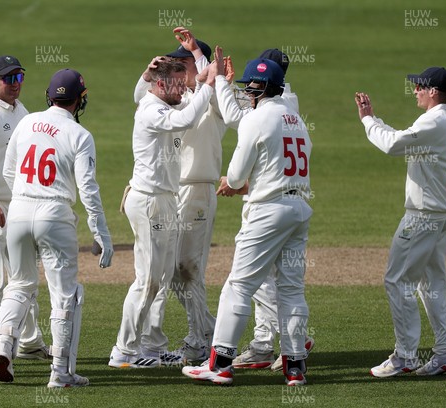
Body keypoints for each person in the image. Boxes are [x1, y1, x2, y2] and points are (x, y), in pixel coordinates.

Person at [183, 58, 313, 386]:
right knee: (291, 290)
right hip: (299, 208)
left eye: (251, 86)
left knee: (239, 285)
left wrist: (233, 182)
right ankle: (295, 368)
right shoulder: (296, 119)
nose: (248, 91)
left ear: (263, 89)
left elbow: (238, 175)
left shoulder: (257, 119)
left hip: (268, 209)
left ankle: (220, 364)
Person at [0, 68, 114, 388]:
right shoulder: (79, 135)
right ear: (79, 101)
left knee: (19, 285)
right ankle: (61, 372)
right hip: (54, 214)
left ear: (50, 95)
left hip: (18, 211)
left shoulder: (27, 121)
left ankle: (3, 346)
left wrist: (20, 201)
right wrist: (101, 232)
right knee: (66, 295)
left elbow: (8, 171)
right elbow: (88, 189)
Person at [109, 58, 214, 368]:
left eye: (185, 85)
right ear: (160, 85)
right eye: (178, 85)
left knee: (163, 276)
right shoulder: (153, 110)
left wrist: (204, 74)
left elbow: (185, 107)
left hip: (164, 199)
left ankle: (152, 348)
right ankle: (124, 351)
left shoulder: (163, 101)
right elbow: (185, 120)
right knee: (148, 280)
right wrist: (207, 86)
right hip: (150, 201)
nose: (184, 91)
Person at [356, 66, 446, 377]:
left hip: (423, 215)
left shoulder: (435, 120)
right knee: (431, 285)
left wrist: (366, 121)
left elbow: (392, 145)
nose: (414, 90)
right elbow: (403, 140)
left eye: (420, 87)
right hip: (438, 214)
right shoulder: (445, 118)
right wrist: (374, 119)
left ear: (433, 92)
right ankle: (444, 352)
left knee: (397, 280)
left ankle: (405, 356)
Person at [133, 27, 226, 364]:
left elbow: (216, 98)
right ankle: (207, 333)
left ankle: (202, 340)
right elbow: (138, 97)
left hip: (198, 190)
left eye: (183, 62)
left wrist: (206, 67)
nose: (178, 68)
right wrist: (148, 72)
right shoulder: (180, 97)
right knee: (173, 272)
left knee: (188, 268)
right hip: (173, 192)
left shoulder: (215, 97)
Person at [0, 55, 49, 361]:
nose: (14, 85)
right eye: (8, 79)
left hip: (21, 205)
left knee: (24, 277)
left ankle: (30, 341)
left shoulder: (20, 110)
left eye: (19, 78)